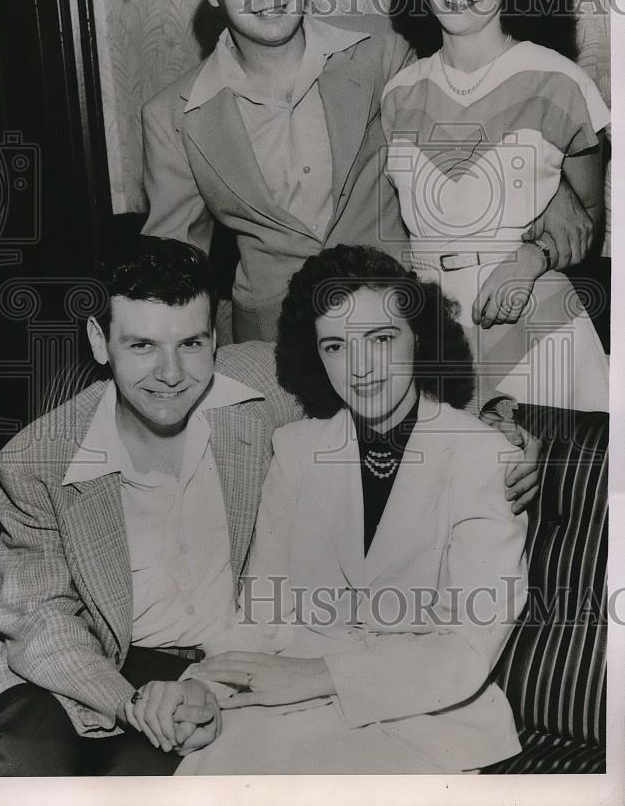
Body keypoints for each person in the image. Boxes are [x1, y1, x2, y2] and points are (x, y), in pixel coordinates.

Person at [141, 0, 585, 345]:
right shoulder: (171, 117)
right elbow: (169, 278)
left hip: (401, 328)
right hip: (270, 349)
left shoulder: (382, 51)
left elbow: (473, 125)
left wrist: (551, 187)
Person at [151, 244, 528, 774]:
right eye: (335, 346)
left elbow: (466, 647)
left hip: (427, 715)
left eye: (381, 338)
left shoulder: (484, 456)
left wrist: (321, 675)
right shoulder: (297, 448)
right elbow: (265, 607)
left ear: (418, 337)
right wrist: (205, 690)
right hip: (289, 705)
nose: (361, 368)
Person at [0, 236, 302, 776]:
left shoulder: (264, 389)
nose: (171, 373)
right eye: (141, 346)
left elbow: (378, 384)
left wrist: (493, 436)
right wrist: (129, 703)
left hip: (219, 666)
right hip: (83, 664)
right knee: (16, 768)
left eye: (191, 344)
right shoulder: (37, 460)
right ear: (98, 342)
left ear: (215, 337)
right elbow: (41, 618)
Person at [380, 0, 609, 412]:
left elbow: (588, 219)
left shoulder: (559, 82)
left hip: (536, 321)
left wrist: (529, 261)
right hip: (434, 337)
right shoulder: (398, 95)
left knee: (549, 485)